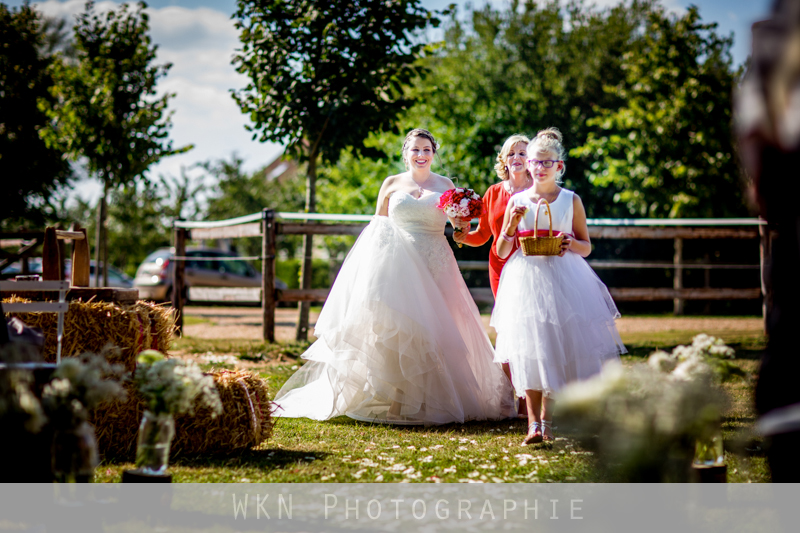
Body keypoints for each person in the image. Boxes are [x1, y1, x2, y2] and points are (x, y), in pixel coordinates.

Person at [274, 128, 516, 425]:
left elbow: (458, 229)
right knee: (399, 329)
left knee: (439, 328)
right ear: (406, 153)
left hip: (436, 262)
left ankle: (432, 398)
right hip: (398, 265)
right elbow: (377, 228)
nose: (421, 155)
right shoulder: (391, 184)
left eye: (427, 149)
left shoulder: (447, 185)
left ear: (434, 154)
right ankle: (396, 398)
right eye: (415, 149)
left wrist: (462, 227)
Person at [490, 128, 626, 444]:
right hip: (526, 280)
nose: (539, 167)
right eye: (535, 162)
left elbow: (586, 246)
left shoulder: (570, 201)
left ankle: (548, 423)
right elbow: (500, 250)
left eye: (547, 163)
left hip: (565, 279)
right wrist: (510, 224)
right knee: (531, 349)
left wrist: (570, 243)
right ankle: (533, 424)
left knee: (556, 348)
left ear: (559, 166)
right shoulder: (518, 200)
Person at [453, 134, 533, 416]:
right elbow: (483, 235)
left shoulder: (540, 191)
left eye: (523, 153)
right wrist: (462, 236)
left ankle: (529, 400)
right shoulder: (493, 193)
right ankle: (513, 393)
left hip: (535, 267)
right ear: (504, 160)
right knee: (508, 330)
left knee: (531, 329)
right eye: (511, 154)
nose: (517, 159)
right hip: (500, 267)